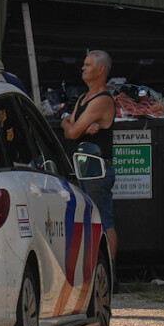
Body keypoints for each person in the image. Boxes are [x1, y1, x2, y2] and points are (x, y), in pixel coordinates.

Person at [61, 49, 118, 261]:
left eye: (88, 65)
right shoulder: (84, 97)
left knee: (103, 221)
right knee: (87, 221)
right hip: (82, 169)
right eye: (84, 64)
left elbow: (72, 131)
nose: (83, 68)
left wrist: (74, 127)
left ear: (100, 70)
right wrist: (74, 125)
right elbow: (67, 125)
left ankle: (109, 273)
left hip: (97, 171)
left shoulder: (102, 100)